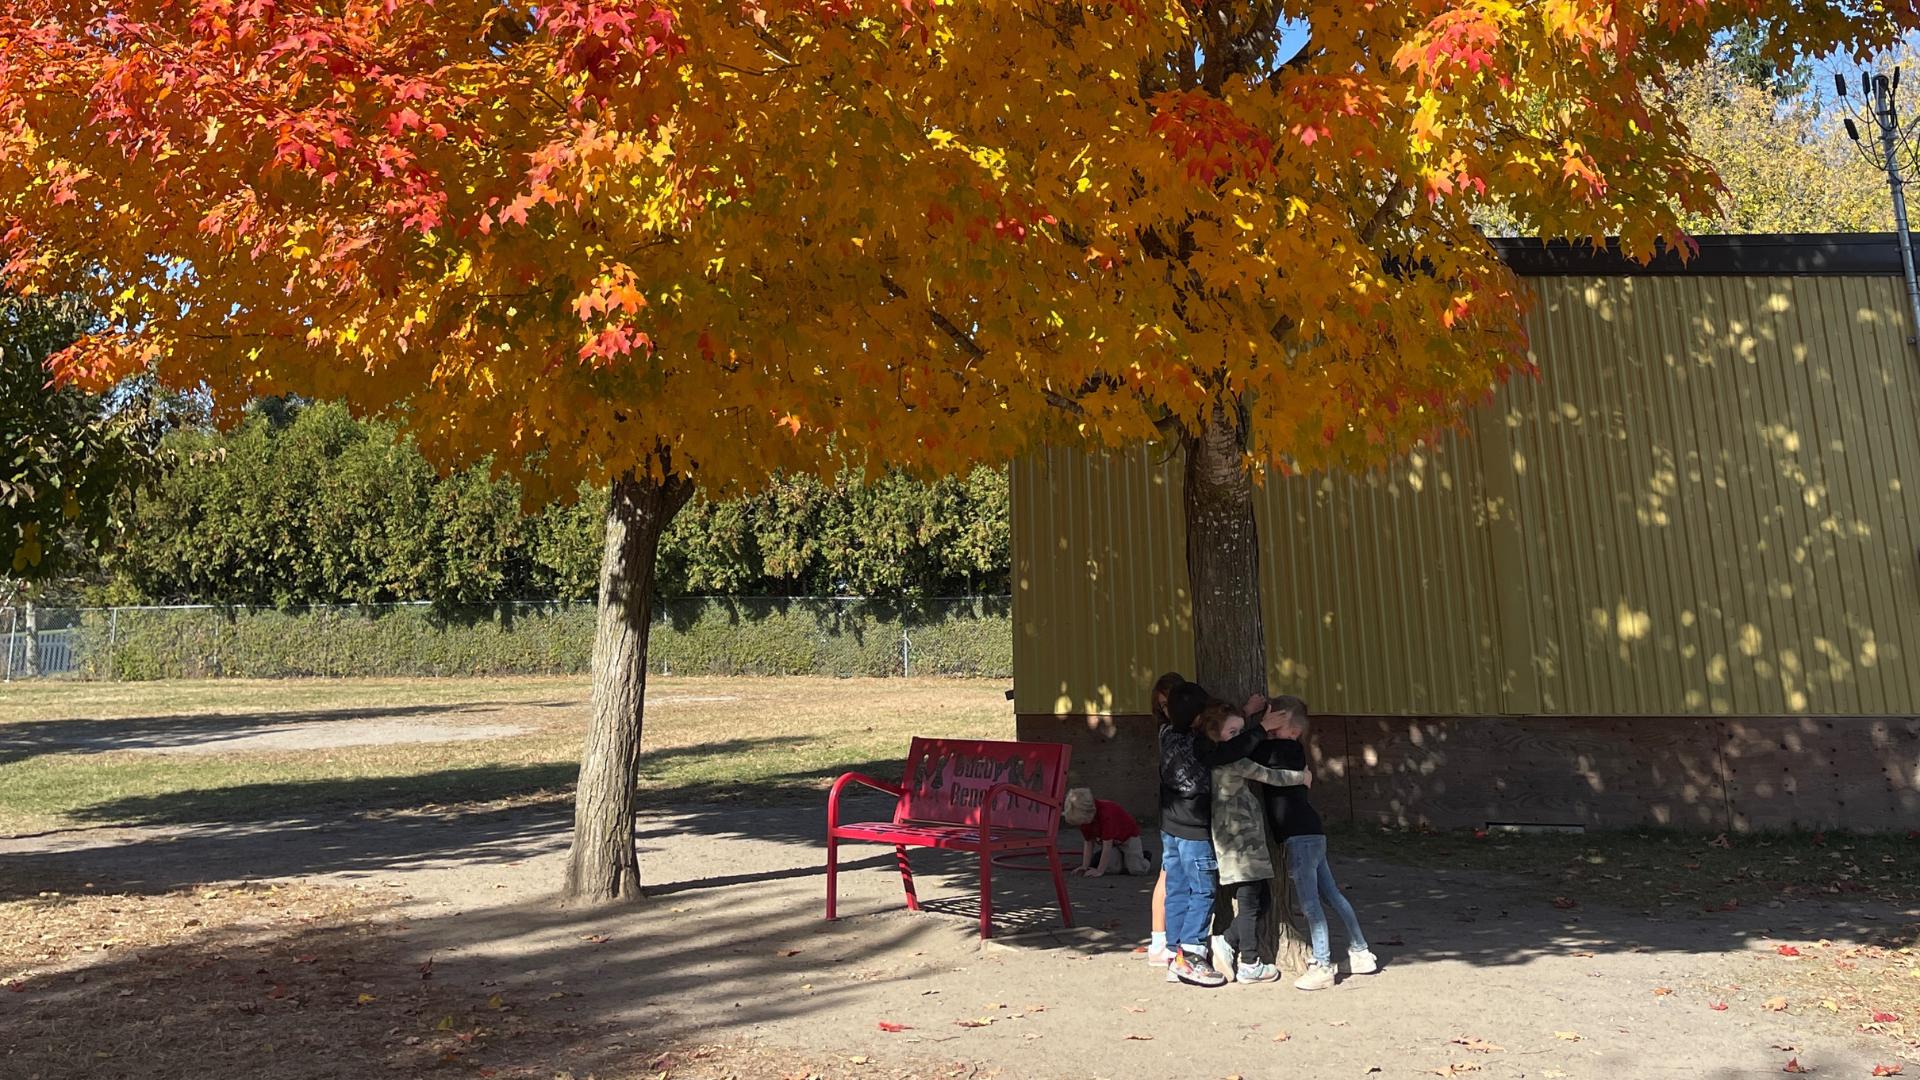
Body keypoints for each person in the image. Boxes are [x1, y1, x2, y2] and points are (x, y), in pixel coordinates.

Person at [1158, 679, 1288, 987]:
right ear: (1197, 719)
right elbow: (1229, 749)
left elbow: (1222, 740)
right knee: (1202, 892)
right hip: (1193, 831)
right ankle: (1191, 957)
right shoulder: (1200, 745)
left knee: (1176, 889)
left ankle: (1173, 954)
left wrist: (1245, 712)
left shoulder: (1167, 734)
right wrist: (1260, 727)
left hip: (1169, 828)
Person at [1260, 696, 1378, 990]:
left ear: (1294, 731)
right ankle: (1361, 951)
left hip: (1301, 839)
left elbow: (1251, 752)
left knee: (1311, 905)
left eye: (1278, 726)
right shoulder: (1289, 750)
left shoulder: (1284, 750)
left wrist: (1259, 726)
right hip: (1312, 834)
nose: (1271, 732)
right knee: (1332, 895)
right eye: (1270, 727)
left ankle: (1323, 965)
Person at [1194, 701, 1311, 984]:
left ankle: (1226, 940)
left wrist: (1247, 715)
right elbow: (1269, 776)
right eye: (1232, 732)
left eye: (1239, 731)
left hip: (1242, 840)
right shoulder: (1232, 760)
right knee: (1249, 901)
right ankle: (1250, 962)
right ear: (1215, 734)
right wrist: (1302, 777)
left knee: (1263, 900)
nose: (1239, 738)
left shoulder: (1219, 756)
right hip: (1240, 842)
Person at [1145, 671, 1184, 964]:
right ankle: (1160, 939)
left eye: (1170, 703)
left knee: (1171, 873)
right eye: (1162, 706)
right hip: (1174, 814)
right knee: (1168, 873)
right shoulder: (1173, 732)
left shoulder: (1173, 731)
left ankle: (1162, 939)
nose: (1167, 711)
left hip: (1173, 811)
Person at [1062, 787, 1151, 876]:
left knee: (1137, 870)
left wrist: (1099, 871)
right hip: (1112, 843)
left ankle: (1145, 857)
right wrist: (1084, 866)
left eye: (1083, 821)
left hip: (1127, 838)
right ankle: (1124, 859)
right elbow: (1088, 842)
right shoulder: (1085, 820)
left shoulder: (1106, 814)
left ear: (1090, 812)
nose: (1082, 825)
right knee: (1112, 869)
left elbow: (1107, 846)